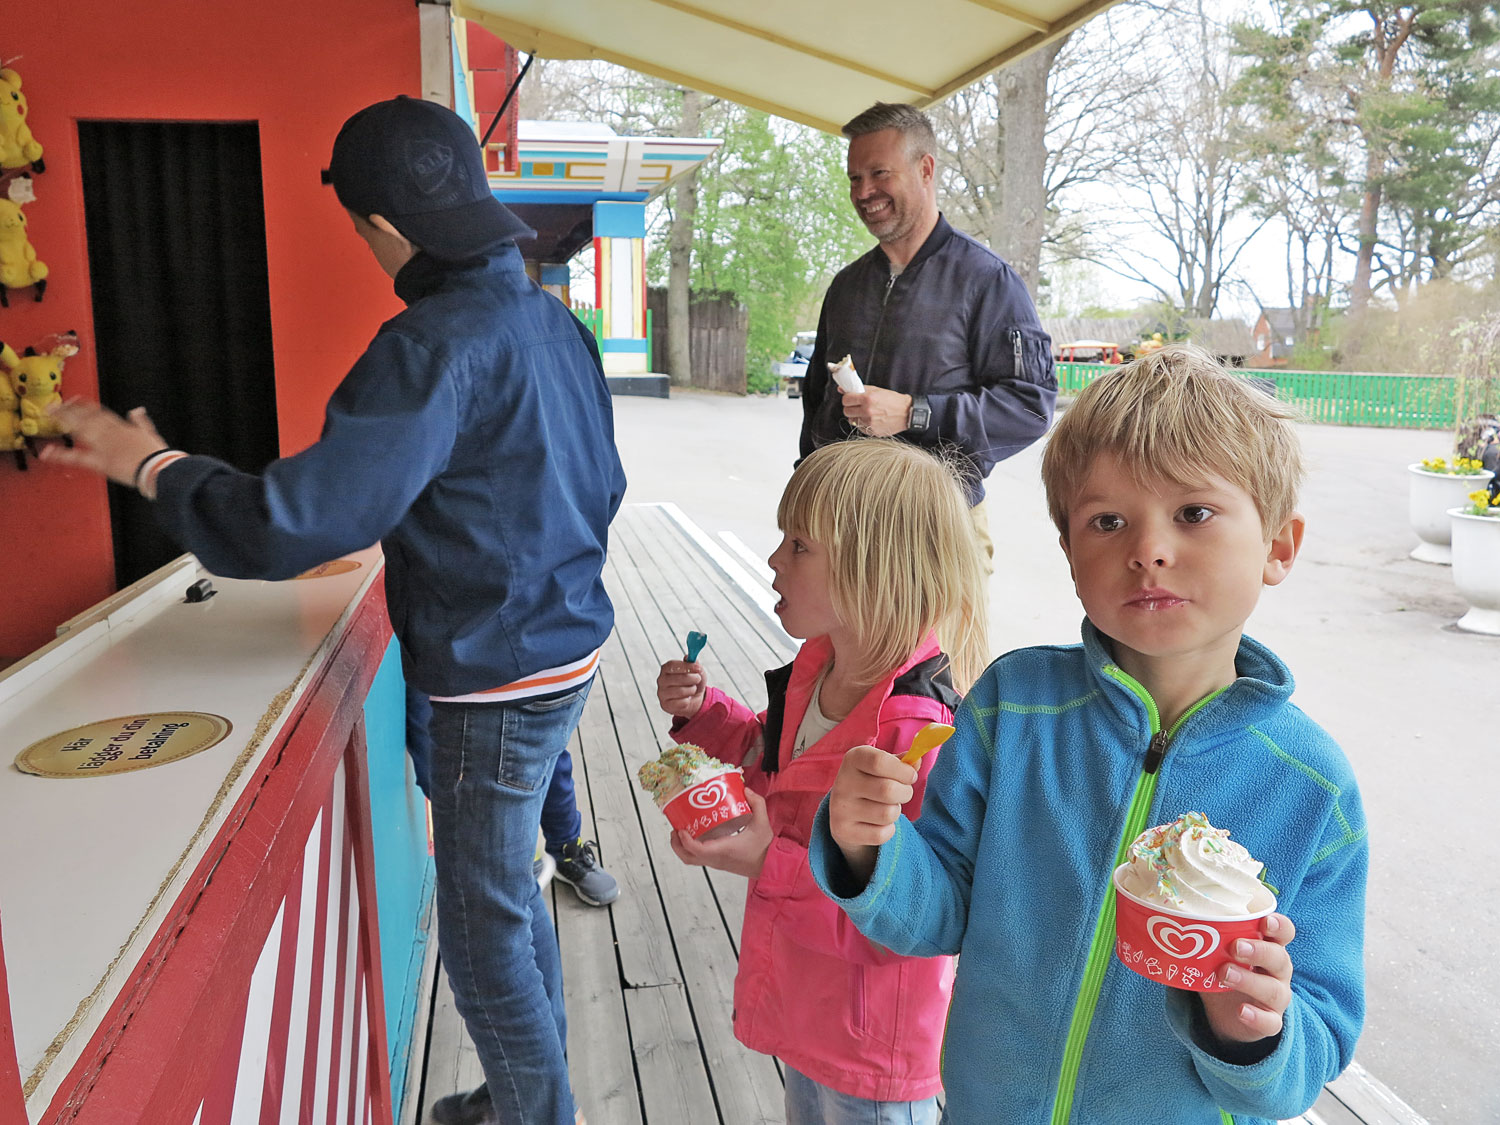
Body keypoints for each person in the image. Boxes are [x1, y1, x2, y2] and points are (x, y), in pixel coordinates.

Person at [41, 95, 624, 1125]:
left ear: (387, 231)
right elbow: (602, 485)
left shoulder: (431, 345)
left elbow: (294, 523)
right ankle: (517, 1099)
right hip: (565, 653)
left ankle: (537, 1115)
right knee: (514, 883)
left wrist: (155, 467)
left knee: (482, 927)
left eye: (360, 230)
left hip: (495, 679)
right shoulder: (552, 323)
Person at [810, 346, 1368, 1124]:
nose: (1148, 549)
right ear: (1071, 552)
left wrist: (1251, 1032)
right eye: (1108, 521)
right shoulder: (1014, 707)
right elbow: (937, 912)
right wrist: (868, 846)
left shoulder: (1312, 787)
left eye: (1194, 513)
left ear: (1278, 545)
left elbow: (1318, 1036)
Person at [653, 438, 988, 1125]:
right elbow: (770, 756)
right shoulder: (818, 668)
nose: (775, 558)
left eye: (798, 544)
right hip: (808, 1010)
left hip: (871, 1049)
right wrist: (704, 713)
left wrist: (764, 860)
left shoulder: (917, 736)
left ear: (877, 569)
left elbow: (904, 918)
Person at [799, 101, 1057, 561]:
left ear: (925, 169)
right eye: (855, 179)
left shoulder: (988, 281)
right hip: (843, 527)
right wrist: (804, 490)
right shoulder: (846, 287)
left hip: (939, 533)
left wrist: (914, 413)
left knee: (946, 640)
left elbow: (1030, 408)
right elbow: (816, 401)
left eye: (879, 173)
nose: (864, 191)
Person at [406, 684, 619, 906]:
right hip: (443, 679)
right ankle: (518, 857)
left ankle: (566, 848)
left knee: (548, 752)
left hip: (517, 674)